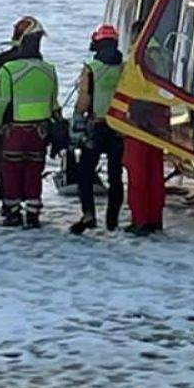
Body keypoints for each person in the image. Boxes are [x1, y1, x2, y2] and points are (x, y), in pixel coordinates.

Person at [0, 18, 59, 228]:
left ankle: (12, 212)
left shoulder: (9, 69)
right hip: (40, 132)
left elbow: (1, 102)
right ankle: (33, 212)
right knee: (33, 171)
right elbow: (54, 103)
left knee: (11, 170)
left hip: (14, 131)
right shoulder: (49, 69)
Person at [69, 25, 126, 235]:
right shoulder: (125, 68)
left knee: (85, 174)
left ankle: (89, 215)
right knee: (115, 176)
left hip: (96, 127)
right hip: (119, 128)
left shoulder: (92, 68)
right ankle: (112, 221)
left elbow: (84, 100)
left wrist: (76, 120)